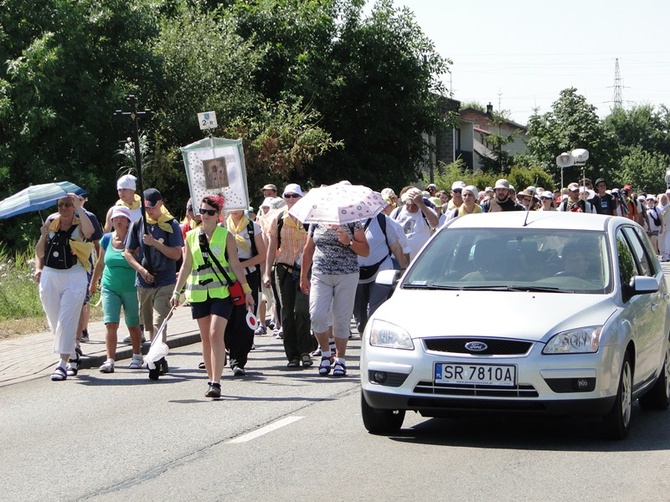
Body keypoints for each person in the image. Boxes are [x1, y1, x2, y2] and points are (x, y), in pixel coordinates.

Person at [171, 195, 254, 398]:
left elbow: (235, 264)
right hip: (198, 293)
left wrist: (247, 290)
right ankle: (210, 380)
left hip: (221, 292)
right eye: (202, 211)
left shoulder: (226, 236)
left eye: (209, 212)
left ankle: (217, 382)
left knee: (216, 333)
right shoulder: (190, 236)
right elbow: (186, 265)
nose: (205, 215)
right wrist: (176, 291)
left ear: (218, 215)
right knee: (205, 338)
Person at [34, 193, 95, 381]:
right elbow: (40, 252)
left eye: (68, 205)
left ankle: (61, 364)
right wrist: (43, 235)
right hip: (51, 275)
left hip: (74, 276)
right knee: (54, 321)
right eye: (61, 205)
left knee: (66, 319)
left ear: (74, 206)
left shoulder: (81, 222)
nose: (64, 209)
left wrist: (78, 207)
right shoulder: (51, 222)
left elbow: (90, 232)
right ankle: (74, 354)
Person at [300, 216, 370, 377]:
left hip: (347, 274)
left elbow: (366, 250)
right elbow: (308, 249)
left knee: (341, 318)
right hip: (320, 274)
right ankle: (326, 353)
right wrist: (304, 275)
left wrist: (349, 242)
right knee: (316, 315)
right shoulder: (316, 221)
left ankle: (340, 359)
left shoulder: (352, 222)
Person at [124, 188, 183, 361]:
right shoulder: (138, 224)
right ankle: (155, 355)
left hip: (165, 280)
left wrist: (155, 243)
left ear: (161, 204)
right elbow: (128, 253)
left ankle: (158, 359)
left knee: (159, 322)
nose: (149, 210)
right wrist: (141, 270)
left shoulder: (170, 225)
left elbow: (176, 254)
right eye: (146, 207)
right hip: (144, 282)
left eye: (152, 207)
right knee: (149, 323)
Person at [263, 183, 312, 368]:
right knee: (286, 312)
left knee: (301, 310)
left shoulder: (309, 218)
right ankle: (292, 355)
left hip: (304, 270)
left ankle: (305, 350)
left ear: (301, 197)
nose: (291, 199)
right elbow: (271, 247)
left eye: (295, 196)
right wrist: (267, 273)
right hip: (283, 268)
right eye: (288, 196)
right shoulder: (278, 218)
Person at [90, 206, 144, 373]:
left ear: (128, 221)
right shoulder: (106, 239)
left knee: (133, 324)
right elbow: (100, 263)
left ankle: (137, 356)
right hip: (109, 287)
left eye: (122, 218)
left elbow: (142, 261)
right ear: (111, 221)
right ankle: (110, 360)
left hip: (131, 288)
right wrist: (92, 284)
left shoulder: (135, 239)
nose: (119, 221)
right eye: (115, 218)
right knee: (110, 323)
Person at [223, 208, 266, 376]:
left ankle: (238, 360)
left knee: (245, 318)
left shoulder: (252, 228)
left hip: (248, 276)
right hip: (225, 277)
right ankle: (225, 349)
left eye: (238, 206)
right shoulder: (221, 227)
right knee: (227, 317)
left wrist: (241, 266)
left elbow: (261, 255)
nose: (234, 210)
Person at [353, 213, 407, 333]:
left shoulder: (382, 219)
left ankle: (374, 339)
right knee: (360, 316)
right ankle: (364, 344)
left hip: (381, 271)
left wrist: (403, 269)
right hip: (355, 274)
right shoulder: (345, 221)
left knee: (375, 309)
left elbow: (396, 247)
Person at [391, 186, 439, 263]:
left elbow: (435, 223)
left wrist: (421, 205)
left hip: (422, 260)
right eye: (408, 204)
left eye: (414, 205)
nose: (411, 207)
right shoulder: (397, 212)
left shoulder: (426, 211)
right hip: (401, 259)